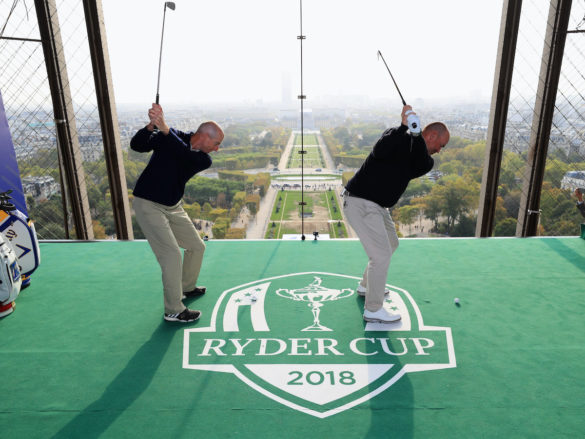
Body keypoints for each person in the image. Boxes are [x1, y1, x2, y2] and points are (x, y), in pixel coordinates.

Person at [342, 105, 449, 324]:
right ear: (432, 136)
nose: (440, 149)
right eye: (441, 145)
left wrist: (416, 134)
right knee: (380, 255)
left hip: (377, 206)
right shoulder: (396, 138)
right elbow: (379, 150)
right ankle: (373, 310)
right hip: (360, 202)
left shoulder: (426, 161)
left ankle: (366, 286)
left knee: (391, 244)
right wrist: (403, 127)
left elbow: (418, 160)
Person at [131, 103, 224, 323]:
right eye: (217, 143)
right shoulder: (171, 135)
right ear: (204, 137)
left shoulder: (203, 158)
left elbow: (183, 155)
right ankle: (173, 309)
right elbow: (138, 146)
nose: (218, 149)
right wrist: (151, 126)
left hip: (173, 206)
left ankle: (186, 287)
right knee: (171, 255)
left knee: (196, 246)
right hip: (148, 204)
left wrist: (165, 129)